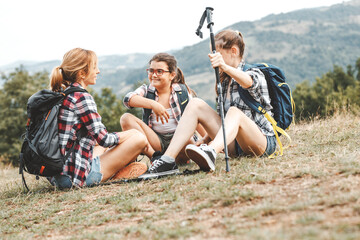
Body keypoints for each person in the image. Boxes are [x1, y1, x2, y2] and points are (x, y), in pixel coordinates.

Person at [140, 29, 277, 178]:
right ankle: (167, 160)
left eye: (218, 54)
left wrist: (224, 67)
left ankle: (211, 151)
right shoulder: (224, 82)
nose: (214, 59)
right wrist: (205, 140)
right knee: (196, 104)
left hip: (262, 142)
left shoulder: (254, 72)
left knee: (235, 112)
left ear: (233, 51)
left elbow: (248, 82)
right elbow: (224, 120)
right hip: (234, 145)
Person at [50, 48, 148, 188]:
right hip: (77, 178)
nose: (98, 71)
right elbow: (105, 139)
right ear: (82, 73)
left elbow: (96, 141)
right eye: (95, 67)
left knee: (98, 146)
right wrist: (130, 134)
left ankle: (116, 171)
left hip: (59, 176)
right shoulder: (82, 97)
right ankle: (157, 160)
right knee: (139, 138)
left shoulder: (63, 94)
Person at [120, 53, 204, 174]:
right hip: (157, 142)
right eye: (151, 71)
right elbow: (128, 99)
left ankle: (176, 159)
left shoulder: (182, 92)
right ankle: (156, 157)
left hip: (180, 140)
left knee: (190, 140)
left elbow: (197, 119)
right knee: (126, 118)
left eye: (160, 71)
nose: (154, 75)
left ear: (172, 75)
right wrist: (153, 104)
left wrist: (207, 141)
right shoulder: (147, 90)